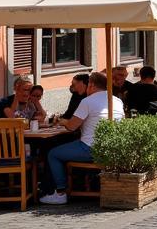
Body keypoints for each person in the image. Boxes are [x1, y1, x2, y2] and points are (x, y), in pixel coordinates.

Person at [40, 72, 124, 205]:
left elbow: (72, 126)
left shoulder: (88, 101)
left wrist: (62, 121)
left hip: (90, 148)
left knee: (53, 154)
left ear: (91, 85)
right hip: (112, 148)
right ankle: (78, 184)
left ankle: (60, 192)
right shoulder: (117, 100)